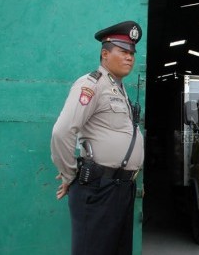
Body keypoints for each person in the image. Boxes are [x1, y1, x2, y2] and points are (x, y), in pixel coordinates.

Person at [51, 20, 145, 255]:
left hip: (121, 189)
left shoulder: (118, 88)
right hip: (98, 188)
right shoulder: (91, 85)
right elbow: (62, 132)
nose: (129, 57)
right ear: (105, 54)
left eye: (132, 53)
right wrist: (69, 175)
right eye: (123, 51)